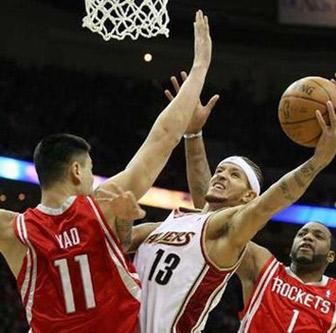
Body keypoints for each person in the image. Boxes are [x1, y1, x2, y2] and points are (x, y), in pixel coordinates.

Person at [0, 10, 212, 333]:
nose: (91, 177)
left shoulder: (15, 231)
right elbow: (163, 138)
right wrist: (199, 70)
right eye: (90, 170)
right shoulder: (102, 205)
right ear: (75, 171)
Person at [133, 72, 336, 332]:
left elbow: (270, 202)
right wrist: (193, 135)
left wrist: (321, 159)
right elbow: (206, 208)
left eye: (234, 174)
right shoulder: (175, 226)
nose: (222, 176)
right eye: (219, 171)